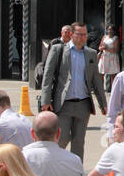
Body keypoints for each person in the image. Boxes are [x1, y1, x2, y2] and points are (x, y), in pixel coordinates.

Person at [40, 22, 107, 161]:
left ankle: (76, 174)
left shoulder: (91, 54)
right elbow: (47, 75)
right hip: (64, 104)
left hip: (83, 105)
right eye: (80, 34)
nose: (83, 38)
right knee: (62, 139)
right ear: (71, 34)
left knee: (78, 142)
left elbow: (96, 80)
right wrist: (46, 101)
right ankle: (56, 168)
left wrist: (103, 104)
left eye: (85, 35)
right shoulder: (58, 50)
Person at [97, 24, 121, 94]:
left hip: (112, 58)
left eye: (111, 29)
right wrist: (101, 48)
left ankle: (113, 91)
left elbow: (116, 50)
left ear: (114, 31)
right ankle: (101, 90)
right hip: (104, 57)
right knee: (101, 74)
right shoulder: (104, 37)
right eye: (109, 29)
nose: (110, 31)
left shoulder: (116, 38)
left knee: (113, 75)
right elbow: (99, 47)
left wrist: (106, 48)